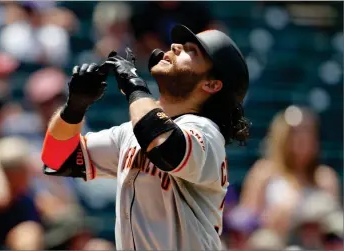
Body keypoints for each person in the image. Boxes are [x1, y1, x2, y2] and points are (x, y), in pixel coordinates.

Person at [41, 24, 250, 249]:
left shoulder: (205, 132)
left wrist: (135, 88)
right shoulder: (131, 132)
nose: (175, 47)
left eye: (192, 51)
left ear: (211, 84)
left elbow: (165, 148)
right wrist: (74, 109)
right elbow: (57, 159)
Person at [240, 105, 340, 238]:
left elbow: (335, 227)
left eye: (307, 131)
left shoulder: (325, 177)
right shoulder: (263, 173)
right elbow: (245, 222)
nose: (301, 138)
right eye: (294, 132)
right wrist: (274, 216)